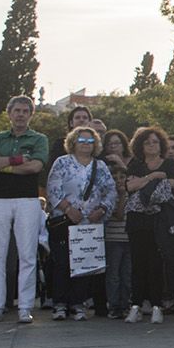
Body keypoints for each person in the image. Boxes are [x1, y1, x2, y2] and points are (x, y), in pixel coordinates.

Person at [0, 96, 48, 324]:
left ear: (30, 114)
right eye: (16, 110)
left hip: (27, 200)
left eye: (25, 111)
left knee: (27, 255)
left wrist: (3, 165)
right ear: (9, 113)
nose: (20, 114)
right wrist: (17, 160)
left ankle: (25, 306)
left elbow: (35, 167)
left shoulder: (38, 139)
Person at [45, 126, 117, 321]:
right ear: (73, 142)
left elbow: (110, 191)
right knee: (62, 263)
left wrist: (101, 209)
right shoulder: (62, 163)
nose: (86, 145)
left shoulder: (100, 166)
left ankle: (78, 303)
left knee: (84, 264)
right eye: (82, 140)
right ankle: (60, 303)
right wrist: (68, 209)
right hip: (65, 220)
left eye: (90, 141)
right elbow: (52, 188)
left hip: (89, 223)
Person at [124, 126, 174, 325]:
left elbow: (172, 184)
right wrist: (153, 177)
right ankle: (136, 304)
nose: (152, 145)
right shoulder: (136, 164)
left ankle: (157, 305)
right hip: (137, 220)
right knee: (138, 263)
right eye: (147, 142)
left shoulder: (170, 163)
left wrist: (144, 181)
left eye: (155, 142)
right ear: (140, 145)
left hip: (160, 220)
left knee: (157, 263)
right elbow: (129, 187)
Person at [99, 129, 133, 321]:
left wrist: (123, 168)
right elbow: (118, 215)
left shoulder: (132, 167)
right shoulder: (109, 190)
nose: (114, 146)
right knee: (113, 274)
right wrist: (119, 195)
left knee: (127, 274)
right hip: (113, 237)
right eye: (110, 143)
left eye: (117, 143)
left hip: (130, 237)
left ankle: (125, 304)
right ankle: (114, 305)